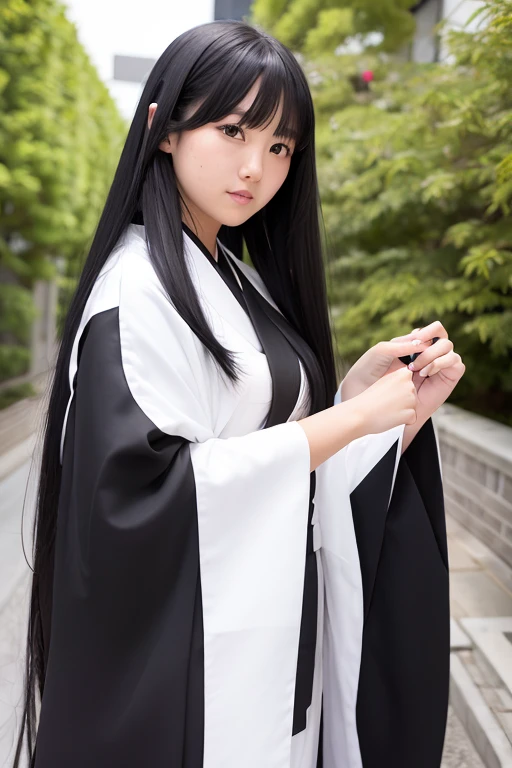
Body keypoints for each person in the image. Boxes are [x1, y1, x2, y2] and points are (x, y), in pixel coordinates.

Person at [13, 19, 465, 768]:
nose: (256, 167)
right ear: (164, 129)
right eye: (233, 130)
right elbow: (144, 495)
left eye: (281, 146)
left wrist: (380, 407)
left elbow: (270, 447)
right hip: (192, 682)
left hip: (262, 645)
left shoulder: (232, 274)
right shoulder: (137, 291)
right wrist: (351, 418)